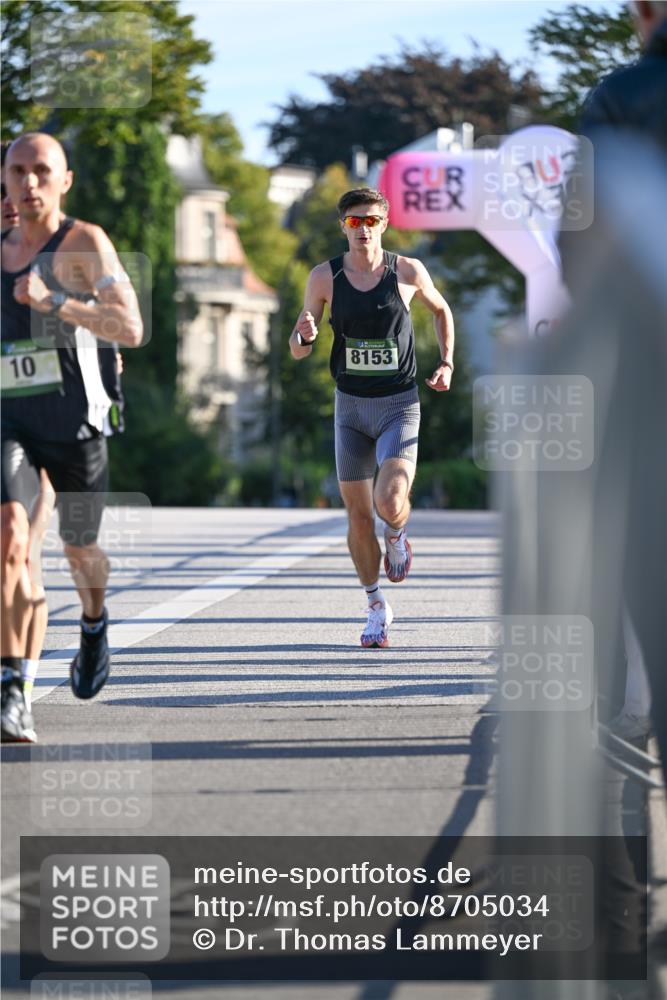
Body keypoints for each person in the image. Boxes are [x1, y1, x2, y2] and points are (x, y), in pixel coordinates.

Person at [1, 132, 142, 742]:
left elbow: (131, 327)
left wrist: (57, 300)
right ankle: (14, 689)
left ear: (64, 180)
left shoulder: (83, 242)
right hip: (10, 418)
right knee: (11, 540)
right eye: (16, 171)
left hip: (75, 419)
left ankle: (92, 621)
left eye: (40, 171)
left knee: (79, 552)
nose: (28, 183)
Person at [290, 187, 454, 648]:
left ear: (384, 224)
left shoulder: (407, 272)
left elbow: (441, 310)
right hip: (350, 407)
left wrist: (447, 362)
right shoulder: (324, 278)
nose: (362, 229)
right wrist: (303, 336)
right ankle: (375, 606)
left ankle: (398, 534)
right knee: (358, 517)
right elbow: (299, 347)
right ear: (343, 226)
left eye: (371, 220)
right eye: (354, 221)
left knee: (390, 498)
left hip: (399, 404)